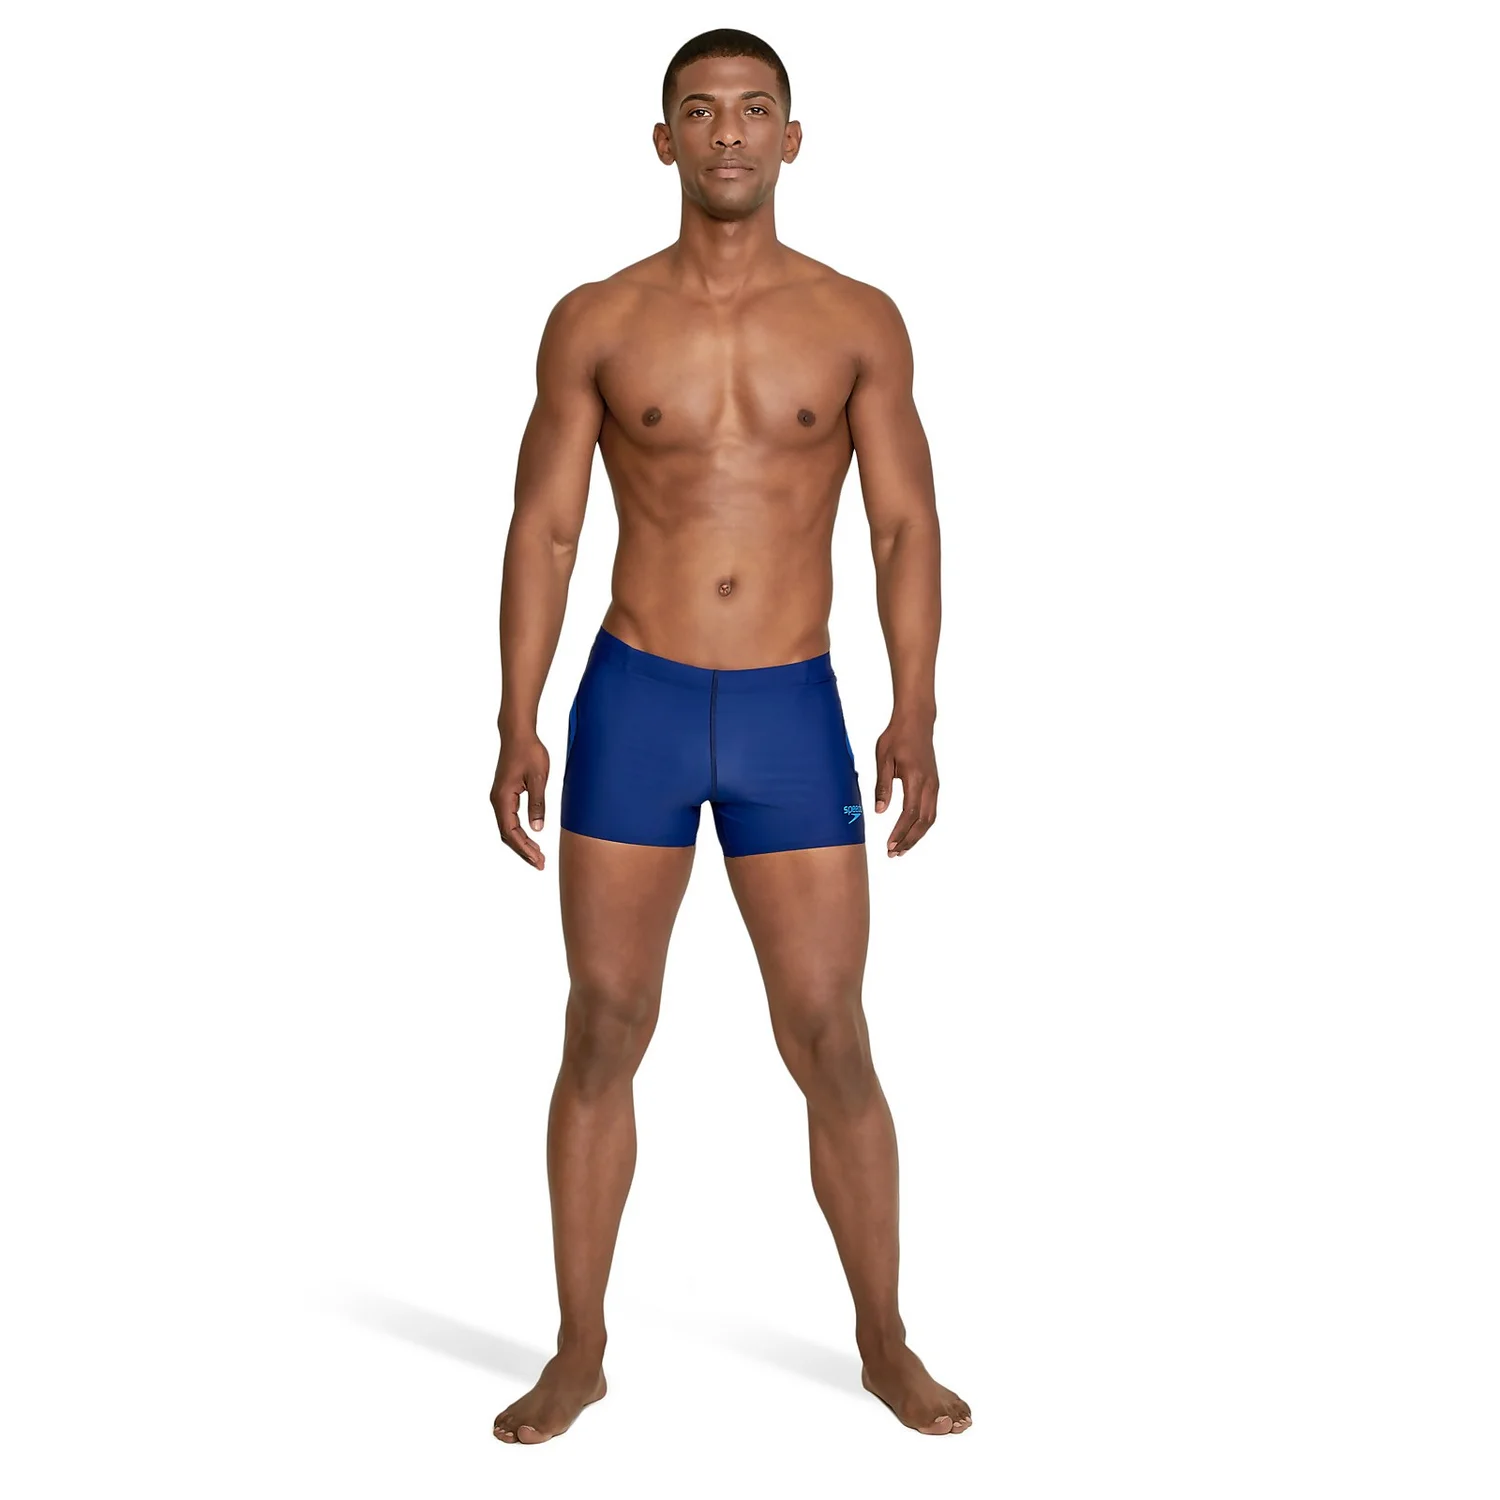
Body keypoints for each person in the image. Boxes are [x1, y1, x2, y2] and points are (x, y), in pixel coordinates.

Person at [489, 28, 969, 1441]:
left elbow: (904, 524)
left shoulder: (856, 319)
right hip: (634, 703)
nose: (729, 134)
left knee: (830, 1034)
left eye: (755, 110)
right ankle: (580, 1349)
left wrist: (917, 702)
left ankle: (883, 1338)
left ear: (792, 137)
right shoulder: (596, 319)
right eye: (700, 112)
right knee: (603, 1025)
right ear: (664, 141)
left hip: (787, 712)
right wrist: (516, 712)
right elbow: (545, 526)